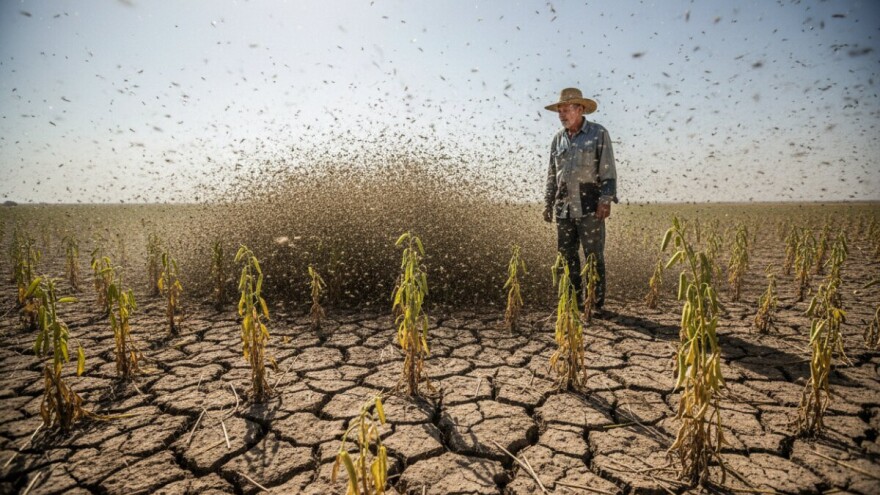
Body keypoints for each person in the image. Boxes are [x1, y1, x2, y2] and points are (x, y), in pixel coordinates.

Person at [543, 87, 617, 314]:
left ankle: (594, 303)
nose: (562, 115)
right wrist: (548, 203)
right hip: (563, 206)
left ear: (580, 109)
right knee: (566, 256)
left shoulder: (598, 133)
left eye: (566, 110)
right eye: (559, 111)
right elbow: (551, 174)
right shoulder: (558, 139)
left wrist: (605, 200)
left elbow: (608, 170)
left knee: (593, 256)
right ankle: (572, 300)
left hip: (590, 206)